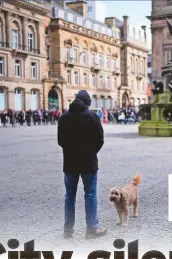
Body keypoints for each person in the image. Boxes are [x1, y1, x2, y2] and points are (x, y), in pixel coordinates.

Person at [57, 90, 107, 239]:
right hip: (88, 162)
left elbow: (60, 141)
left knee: (69, 196)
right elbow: (100, 140)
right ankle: (92, 229)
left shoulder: (64, 117)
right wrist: (91, 152)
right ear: (87, 103)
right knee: (90, 195)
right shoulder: (92, 117)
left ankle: (68, 230)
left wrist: (71, 151)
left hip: (70, 162)